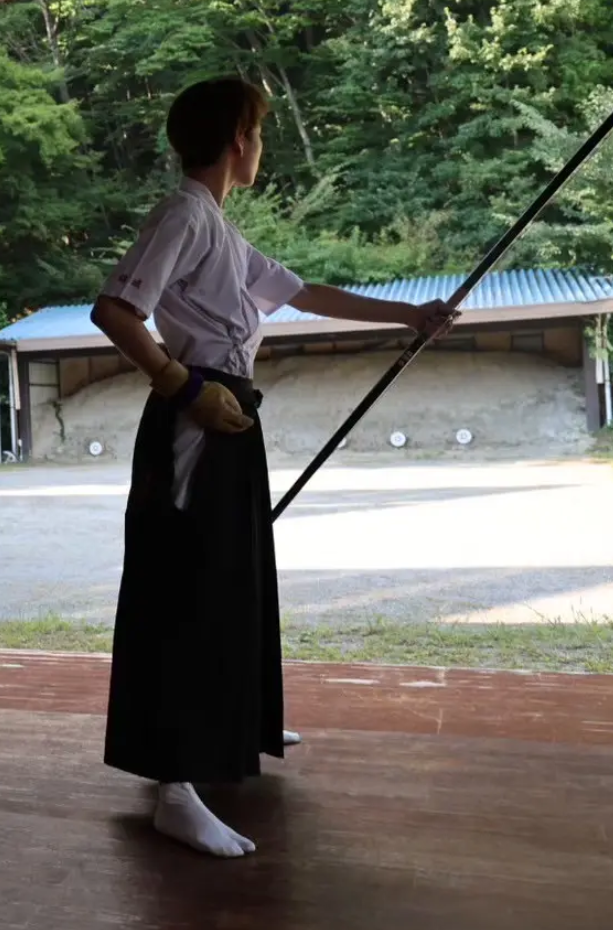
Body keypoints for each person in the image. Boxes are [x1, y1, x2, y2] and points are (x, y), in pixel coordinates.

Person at [89, 78, 457, 857]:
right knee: (185, 580)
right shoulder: (185, 213)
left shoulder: (218, 228)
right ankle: (174, 785)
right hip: (195, 411)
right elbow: (115, 310)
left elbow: (303, 292)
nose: (260, 147)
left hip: (224, 409)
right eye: (257, 133)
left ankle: (230, 720)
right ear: (236, 139)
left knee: (229, 573)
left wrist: (409, 316)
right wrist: (181, 385)